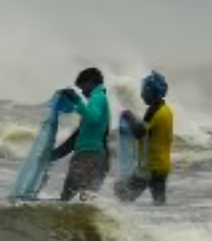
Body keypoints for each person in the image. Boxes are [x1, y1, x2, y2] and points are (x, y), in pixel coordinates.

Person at [51, 67, 111, 201]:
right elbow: (79, 136)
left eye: (83, 87)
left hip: (89, 156)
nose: (83, 92)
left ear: (90, 82)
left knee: (67, 200)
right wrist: (54, 155)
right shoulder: (99, 99)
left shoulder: (98, 97)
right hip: (93, 156)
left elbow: (92, 118)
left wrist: (76, 100)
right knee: (85, 201)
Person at [114, 71, 173, 205]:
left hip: (150, 168)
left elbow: (139, 132)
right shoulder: (166, 109)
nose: (142, 94)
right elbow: (149, 129)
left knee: (122, 195)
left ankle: (123, 222)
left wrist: (128, 116)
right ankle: (164, 224)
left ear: (151, 92)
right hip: (163, 165)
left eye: (144, 90)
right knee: (159, 202)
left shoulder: (153, 110)